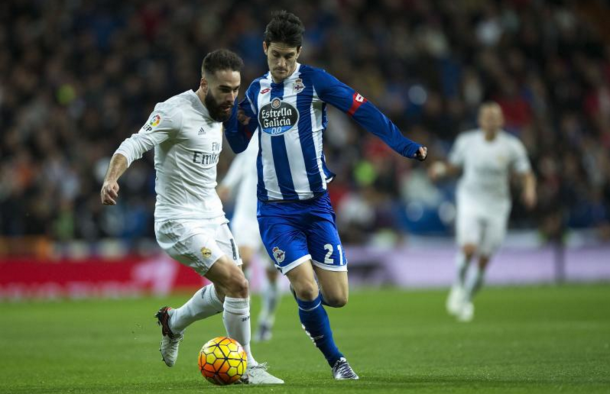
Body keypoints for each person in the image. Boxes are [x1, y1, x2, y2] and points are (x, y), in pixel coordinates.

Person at [223, 11, 428, 380]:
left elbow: (362, 110)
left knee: (336, 298)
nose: (282, 63)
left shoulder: (315, 82)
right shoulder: (256, 91)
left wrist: (404, 145)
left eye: (290, 56)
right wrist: (230, 118)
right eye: (276, 55)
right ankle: (337, 361)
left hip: (317, 207)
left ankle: (313, 319)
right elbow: (239, 143)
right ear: (265, 49)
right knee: (304, 285)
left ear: (299, 52)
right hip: (274, 210)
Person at [100, 49, 283, 384]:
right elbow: (134, 144)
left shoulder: (224, 110)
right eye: (224, 90)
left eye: (235, 89)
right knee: (239, 284)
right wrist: (112, 178)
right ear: (203, 84)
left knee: (228, 290)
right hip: (177, 220)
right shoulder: (174, 112)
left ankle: (174, 322)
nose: (231, 97)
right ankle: (246, 367)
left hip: (213, 214)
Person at [428, 102, 537, 322]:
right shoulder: (467, 142)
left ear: (501, 121)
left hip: (498, 205)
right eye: (487, 117)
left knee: (484, 259)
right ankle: (458, 286)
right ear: (480, 121)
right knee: (469, 249)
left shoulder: (511, 146)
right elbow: (454, 165)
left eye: (495, 117)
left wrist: (529, 190)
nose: (491, 121)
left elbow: (526, 173)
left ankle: (466, 299)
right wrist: (439, 169)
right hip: (470, 200)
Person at [218, 132, 282, 342]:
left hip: (272, 218)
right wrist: (227, 184)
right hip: (246, 216)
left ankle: (267, 320)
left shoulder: (284, 140)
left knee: (271, 274)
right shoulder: (254, 136)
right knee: (242, 263)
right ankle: (243, 320)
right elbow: (243, 159)